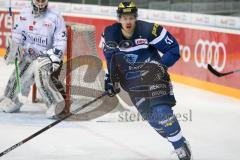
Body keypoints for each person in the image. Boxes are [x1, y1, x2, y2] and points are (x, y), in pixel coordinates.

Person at [102, 1, 192, 160]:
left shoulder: (150, 30)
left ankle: (181, 150)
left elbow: (173, 49)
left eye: (131, 17)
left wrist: (158, 67)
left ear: (135, 17)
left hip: (156, 78)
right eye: (124, 18)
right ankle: (179, 141)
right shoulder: (110, 33)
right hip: (133, 84)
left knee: (162, 113)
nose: (128, 21)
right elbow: (111, 58)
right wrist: (110, 78)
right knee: (155, 122)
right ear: (119, 19)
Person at [0, 0, 67, 118]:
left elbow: (60, 41)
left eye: (43, 0)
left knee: (40, 74)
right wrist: (14, 50)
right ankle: (13, 100)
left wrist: (55, 58)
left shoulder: (55, 17)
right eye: (38, 0)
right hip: (29, 56)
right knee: (20, 75)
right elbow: (17, 35)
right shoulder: (24, 13)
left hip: (47, 57)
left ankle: (56, 104)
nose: (40, 3)